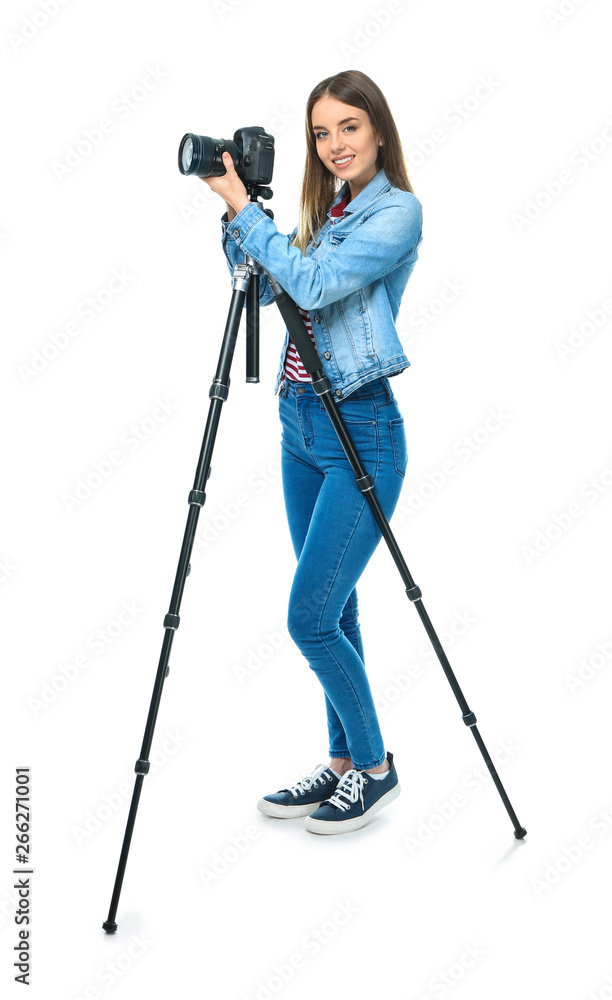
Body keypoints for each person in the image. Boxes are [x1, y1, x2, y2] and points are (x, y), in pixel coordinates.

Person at [202, 70, 423, 835]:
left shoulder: (397, 213)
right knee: (338, 606)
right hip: (300, 423)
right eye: (321, 134)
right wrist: (242, 224)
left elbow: (318, 287)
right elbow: (269, 292)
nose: (334, 146)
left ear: (379, 133)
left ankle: (376, 767)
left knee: (309, 617)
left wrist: (245, 214)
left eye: (349, 129)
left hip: (361, 426)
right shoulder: (324, 211)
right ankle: (340, 767)